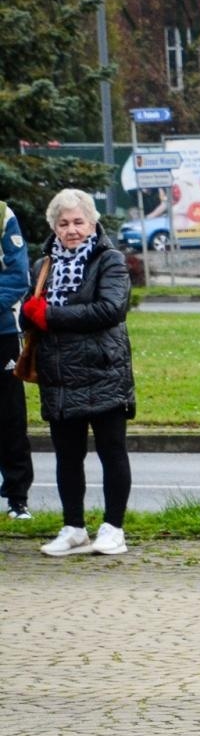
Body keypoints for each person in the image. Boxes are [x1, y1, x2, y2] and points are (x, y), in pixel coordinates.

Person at [24, 189, 138, 557]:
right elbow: (30, 308)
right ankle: (73, 527)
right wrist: (30, 313)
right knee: (67, 456)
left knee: (112, 451)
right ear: (54, 227)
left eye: (78, 222)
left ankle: (113, 529)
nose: (71, 230)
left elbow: (110, 310)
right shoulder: (43, 266)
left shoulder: (111, 261)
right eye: (64, 223)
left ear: (92, 223)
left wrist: (50, 316)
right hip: (59, 376)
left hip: (104, 370)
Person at [1, 198, 33, 519]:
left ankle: (17, 498)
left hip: (2, 334)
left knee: (9, 416)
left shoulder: (2, 214)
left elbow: (17, 277)